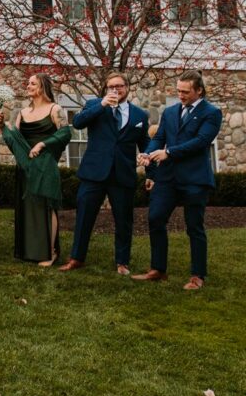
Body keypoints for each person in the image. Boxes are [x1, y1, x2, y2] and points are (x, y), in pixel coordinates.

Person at [133, 70, 222, 290]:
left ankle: (197, 275)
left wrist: (169, 153)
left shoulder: (212, 113)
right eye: (178, 91)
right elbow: (160, 137)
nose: (180, 95)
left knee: (194, 227)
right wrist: (147, 153)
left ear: (199, 90)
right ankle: (158, 269)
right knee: (155, 218)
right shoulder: (170, 111)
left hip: (194, 179)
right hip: (167, 178)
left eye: (185, 91)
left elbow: (202, 141)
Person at [60, 72, 149, 275]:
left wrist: (150, 171)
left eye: (119, 86)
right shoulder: (94, 105)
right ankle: (76, 258)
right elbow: (78, 123)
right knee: (84, 218)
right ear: (105, 89)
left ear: (127, 87)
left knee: (124, 220)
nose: (115, 90)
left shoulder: (139, 116)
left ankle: (122, 262)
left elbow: (145, 146)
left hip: (122, 174)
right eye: (111, 87)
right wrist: (102, 105)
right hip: (94, 173)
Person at [0, 73, 71, 266]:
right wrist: (2, 127)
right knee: (29, 208)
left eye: (32, 83)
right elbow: (16, 141)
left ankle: (51, 252)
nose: (28, 86)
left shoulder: (55, 109)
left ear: (42, 87)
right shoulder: (22, 113)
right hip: (26, 167)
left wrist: (42, 145)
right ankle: (30, 250)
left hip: (45, 165)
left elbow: (65, 133)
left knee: (47, 207)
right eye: (28, 83)